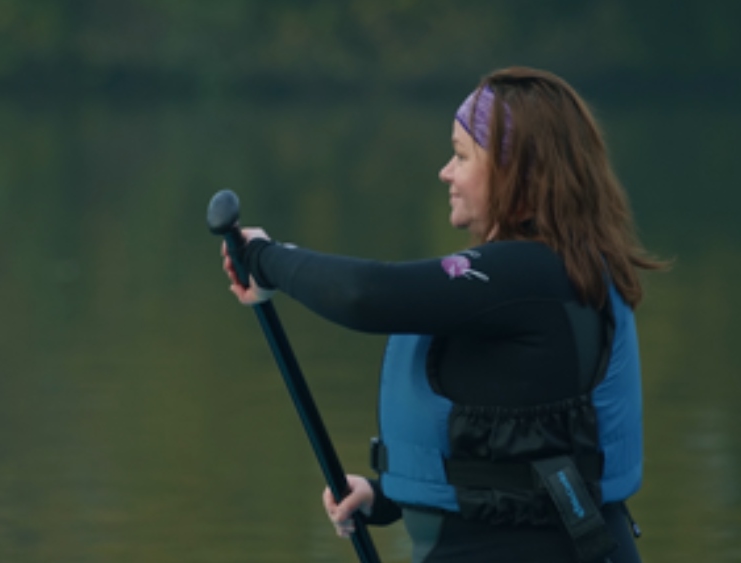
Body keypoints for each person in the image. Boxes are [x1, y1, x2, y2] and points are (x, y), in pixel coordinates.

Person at [221, 66, 665, 563]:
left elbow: (368, 295)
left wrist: (265, 258)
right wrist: (387, 495)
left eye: (460, 156)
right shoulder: (548, 277)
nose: (445, 172)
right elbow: (511, 452)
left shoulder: (533, 276)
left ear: (518, 173)